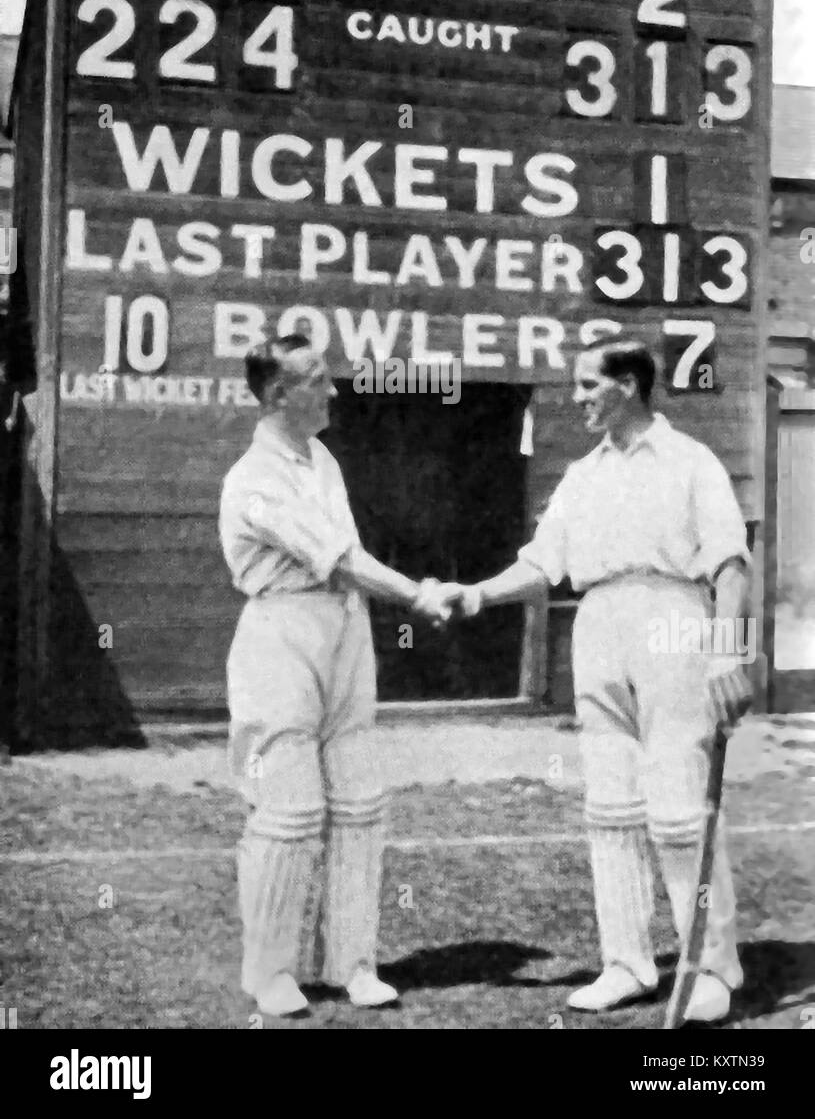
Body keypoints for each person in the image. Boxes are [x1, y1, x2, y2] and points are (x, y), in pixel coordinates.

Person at [449, 338, 753, 1023]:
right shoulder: (582, 474)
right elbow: (540, 562)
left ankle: (713, 966)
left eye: (589, 384)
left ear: (628, 385)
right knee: (609, 807)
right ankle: (627, 962)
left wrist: (729, 656)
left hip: (671, 619)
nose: (578, 396)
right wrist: (474, 594)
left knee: (678, 809)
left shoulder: (688, 461)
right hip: (598, 624)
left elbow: (731, 565)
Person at [218, 334, 455, 1018]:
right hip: (280, 637)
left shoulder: (320, 457)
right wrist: (417, 594)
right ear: (275, 395)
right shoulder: (251, 479)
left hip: (344, 633)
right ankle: (270, 974)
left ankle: (352, 962)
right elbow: (339, 558)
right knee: (288, 812)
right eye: (317, 381)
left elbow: (345, 568)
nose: (333, 390)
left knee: (358, 803)